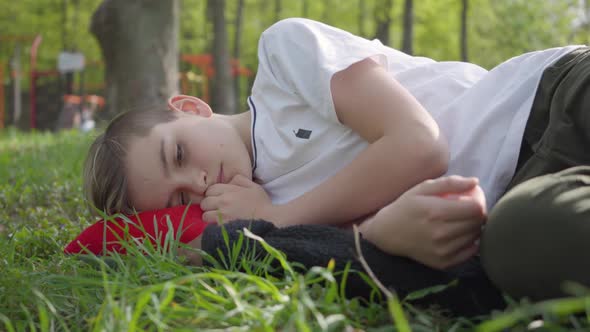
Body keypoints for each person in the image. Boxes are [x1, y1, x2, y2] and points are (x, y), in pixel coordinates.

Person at [83, 18, 590, 301]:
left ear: (190, 107)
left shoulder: (283, 58)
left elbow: (419, 143)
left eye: (178, 152)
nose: (198, 182)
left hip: (548, 103)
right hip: (523, 195)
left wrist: (274, 217)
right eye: (179, 198)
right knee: (525, 247)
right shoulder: (276, 226)